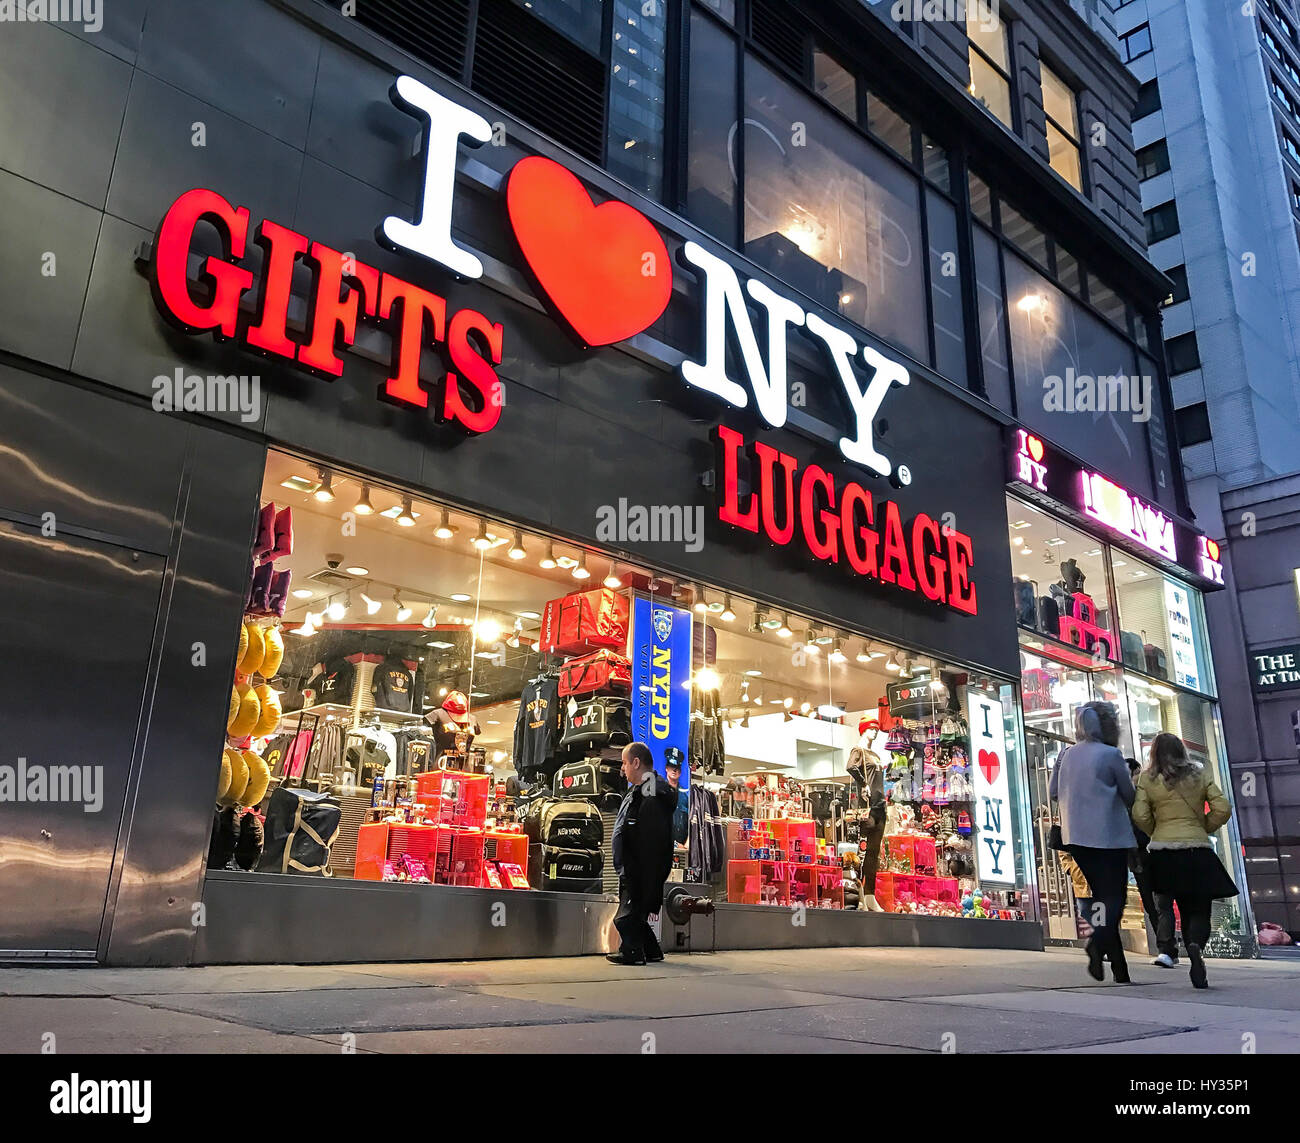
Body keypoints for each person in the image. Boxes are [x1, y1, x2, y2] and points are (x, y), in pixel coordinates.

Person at [1131, 733, 1236, 989]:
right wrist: (1203, 827)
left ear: (1154, 753)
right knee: (1199, 908)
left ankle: (1170, 947)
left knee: (1165, 905)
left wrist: (1156, 831)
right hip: (1197, 851)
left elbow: (1140, 814)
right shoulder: (1199, 774)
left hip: (1163, 853)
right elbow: (1223, 808)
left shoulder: (1147, 778)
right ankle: (1195, 945)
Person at [1049, 701, 1135, 983]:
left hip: (1076, 837)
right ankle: (1097, 943)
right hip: (1110, 835)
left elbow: (1053, 791)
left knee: (1100, 897)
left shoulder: (1065, 755)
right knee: (1115, 898)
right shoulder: (1111, 754)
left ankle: (1118, 966)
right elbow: (1129, 794)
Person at [608, 741, 676, 966]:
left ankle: (632, 951)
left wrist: (637, 868)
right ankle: (650, 950)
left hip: (638, 866)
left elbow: (650, 839)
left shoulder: (651, 794)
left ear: (636, 763)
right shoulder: (640, 791)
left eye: (624, 763)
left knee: (628, 913)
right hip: (633, 865)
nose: (622, 768)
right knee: (634, 911)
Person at [1127, 758, 1179, 968]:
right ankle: (1167, 948)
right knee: (1152, 904)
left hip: (1156, 852)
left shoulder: (1148, 795)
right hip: (1141, 855)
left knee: (1161, 903)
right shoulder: (1127, 800)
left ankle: (1167, 948)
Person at [664, 749, 689, 846]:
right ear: (666, 768)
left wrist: (688, 842)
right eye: (671, 766)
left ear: (680, 771)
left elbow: (690, 822)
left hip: (683, 848)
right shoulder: (659, 792)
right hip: (664, 846)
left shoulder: (685, 796)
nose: (674, 770)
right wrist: (675, 845)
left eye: (677, 767)